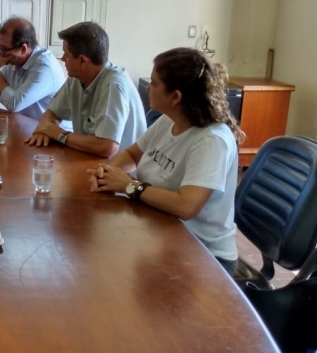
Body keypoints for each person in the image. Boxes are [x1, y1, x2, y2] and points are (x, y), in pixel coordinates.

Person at [87, 48, 244, 275]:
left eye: (154, 83)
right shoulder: (168, 120)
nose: (148, 88)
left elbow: (186, 206)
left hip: (204, 256)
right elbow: (131, 155)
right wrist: (108, 172)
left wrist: (129, 185)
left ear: (176, 96)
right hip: (161, 232)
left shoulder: (212, 141)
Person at [26, 22, 146, 158]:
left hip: (118, 171)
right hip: (88, 160)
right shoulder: (76, 78)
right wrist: (44, 130)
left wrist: (58, 134)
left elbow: (107, 147)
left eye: (66, 54)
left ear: (82, 60)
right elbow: (52, 113)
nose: (62, 58)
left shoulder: (114, 85)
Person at [0, 18, 67, 124]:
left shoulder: (44, 67)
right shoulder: (13, 61)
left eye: (3, 49)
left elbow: (14, 104)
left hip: (52, 135)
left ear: (23, 49)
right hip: (26, 128)